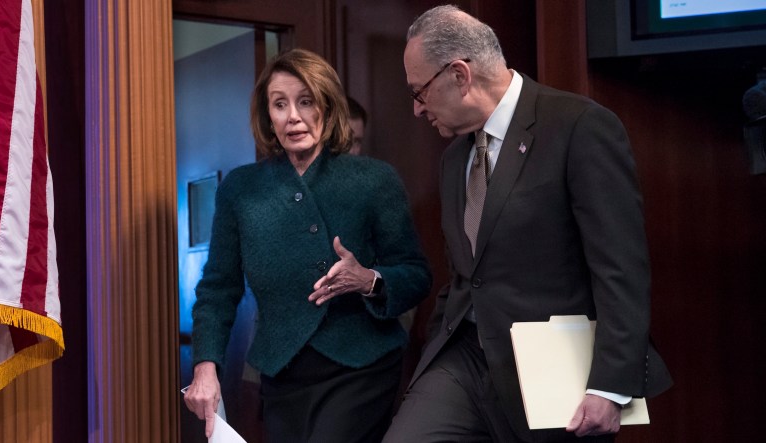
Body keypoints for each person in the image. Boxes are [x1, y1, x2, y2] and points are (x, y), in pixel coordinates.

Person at [384, 5, 672, 443]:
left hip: (553, 370)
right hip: (464, 360)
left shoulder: (579, 127)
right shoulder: (454, 159)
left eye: (419, 92)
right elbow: (467, 274)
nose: (418, 111)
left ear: (459, 75)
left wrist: (610, 387)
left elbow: (621, 268)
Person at [183, 48, 432, 443]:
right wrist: (205, 367)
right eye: (279, 104)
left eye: (305, 102)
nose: (293, 116)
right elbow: (218, 289)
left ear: (327, 107)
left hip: (362, 366)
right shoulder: (241, 189)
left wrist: (368, 279)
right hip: (283, 372)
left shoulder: (373, 179)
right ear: (267, 115)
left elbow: (416, 275)